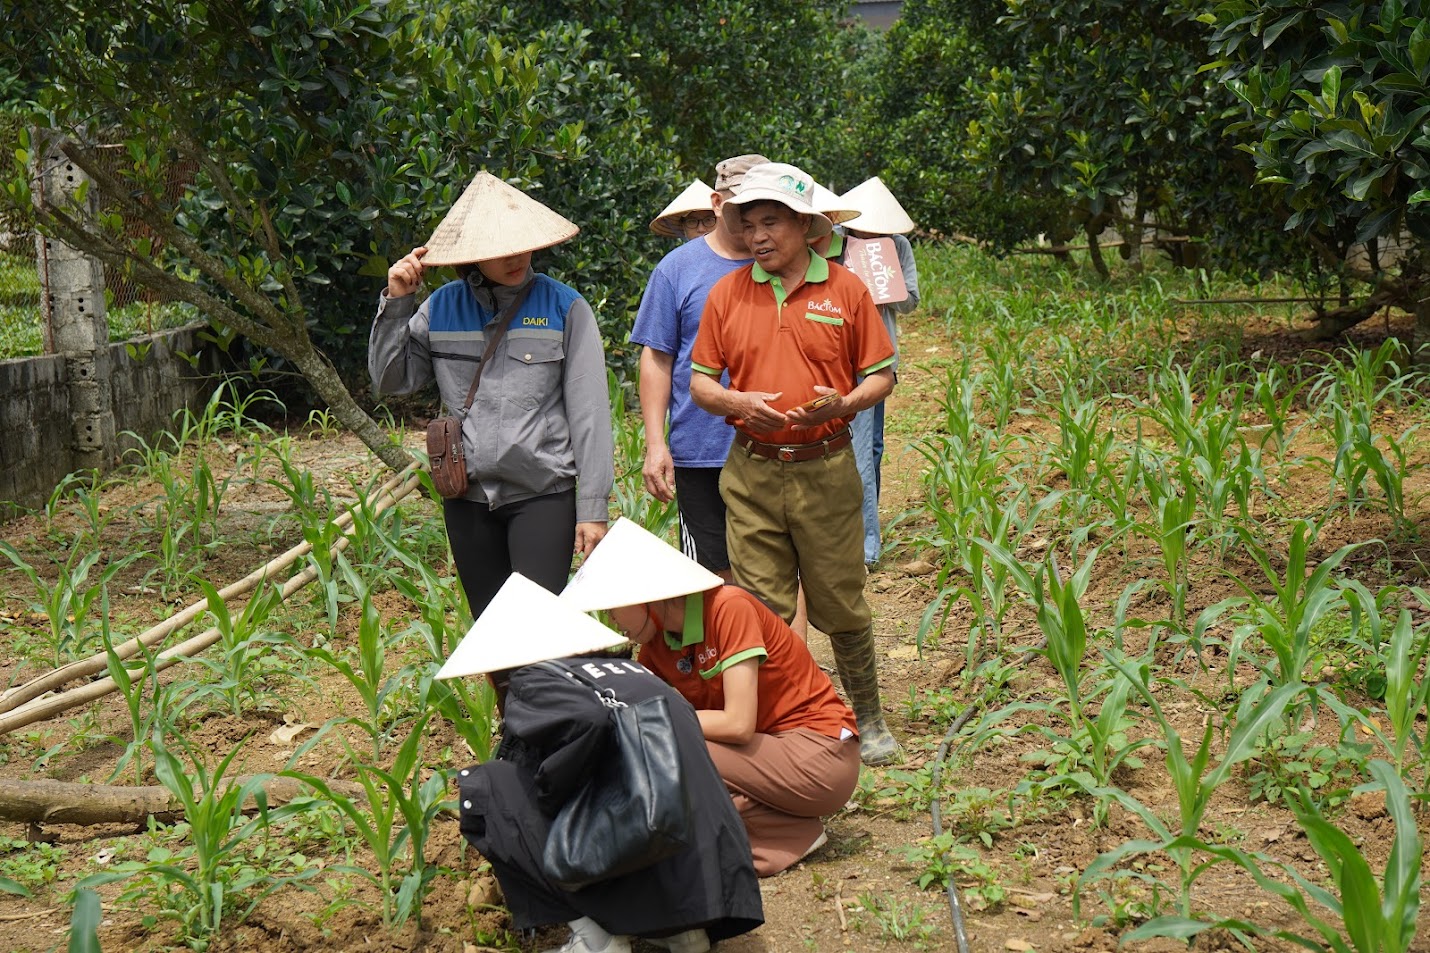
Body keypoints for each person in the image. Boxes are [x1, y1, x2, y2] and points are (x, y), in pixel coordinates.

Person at [687, 162, 901, 765]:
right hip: (751, 470)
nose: (758, 236)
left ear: (805, 225)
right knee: (764, 606)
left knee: (839, 598)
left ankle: (870, 717)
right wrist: (736, 402)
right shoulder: (727, 294)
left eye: (771, 222)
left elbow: (881, 375)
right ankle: (797, 720)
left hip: (826, 468)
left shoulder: (845, 290)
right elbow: (702, 382)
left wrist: (844, 403)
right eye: (747, 223)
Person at [440, 573, 763, 953]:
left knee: (488, 788)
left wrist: (551, 793)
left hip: (649, 840)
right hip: (712, 882)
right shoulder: (639, 673)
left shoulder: (535, 680)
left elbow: (587, 723)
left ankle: (596, 940)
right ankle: (675, 930)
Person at [369, 172, 614, 630]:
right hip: (467, 496)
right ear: (474, 254)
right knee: (492, 632)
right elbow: (391, 381)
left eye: (522, 243)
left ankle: (544, 703)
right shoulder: (439, 307)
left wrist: (593, 509)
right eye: (501, 248)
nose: (517, 256)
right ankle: (509, 705)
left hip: (543, 493)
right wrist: (397, 302)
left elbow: (591, 414)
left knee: (541, 631)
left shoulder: (566, 307)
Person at [561, 518, 861, 877]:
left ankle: (763, 836)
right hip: (770, 760)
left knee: (667, 747)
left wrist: (650, 720)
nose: (612, 619)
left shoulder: (728, 607)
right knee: (650, 755)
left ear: (644, 597)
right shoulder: (656, 647)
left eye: (613, 607)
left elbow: (737, 724)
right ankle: (789, 833)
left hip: (822, 755)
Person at [631, 154, 768, 581]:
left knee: (783, 570)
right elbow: (657, 358)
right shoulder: (677, 269)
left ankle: (786, 651)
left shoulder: (787, 264)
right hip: (702, 449)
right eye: (737, 205)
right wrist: (656, 445)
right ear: (715, 202)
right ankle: (731, 650)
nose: (748, 218)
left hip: (778, 445)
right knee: (715, 575)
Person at [826, 176, 921, 566]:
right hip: (841, 357)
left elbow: (911, 301)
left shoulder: (898, 246)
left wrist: (882, 280)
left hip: (879, 360)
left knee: (873, 448)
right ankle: (864, 546)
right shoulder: (832, 241)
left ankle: (863, 529)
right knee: (856, 450)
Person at [650, 180, 719, 242]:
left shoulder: (729, 255)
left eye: (709, 220)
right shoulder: (676, 256)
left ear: (721, 223)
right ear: (684, 227)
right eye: (692, 222)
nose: (701, 229)